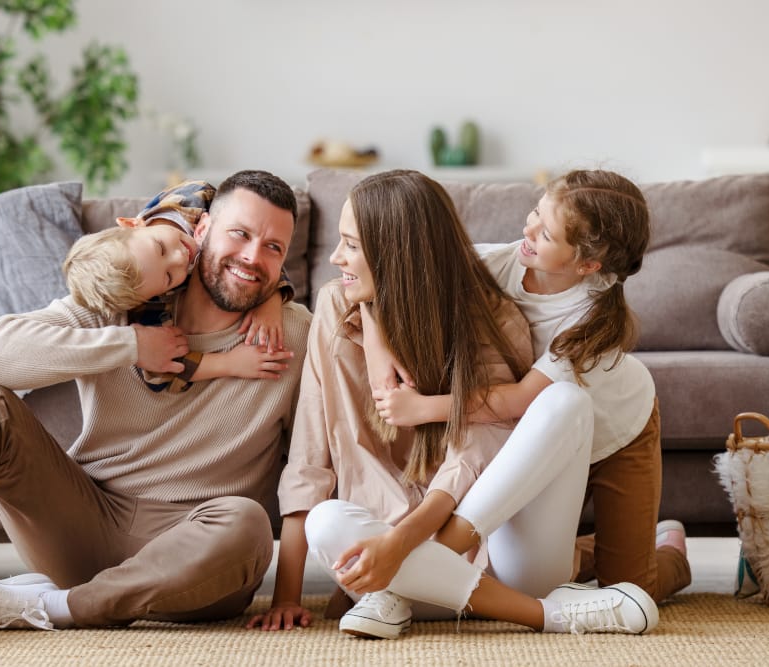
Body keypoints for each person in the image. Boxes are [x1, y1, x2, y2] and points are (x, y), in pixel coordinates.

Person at [0, 170, 312, 652]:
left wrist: (289, 593)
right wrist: (130, 345)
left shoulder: (293, 333)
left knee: (247, 522)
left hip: (198, 551)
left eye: (273, 248)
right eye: (241, 234)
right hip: (88, 520)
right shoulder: (127, 294)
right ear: (200, 232)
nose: (252, 257)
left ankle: (49, 607)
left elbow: (311, 461)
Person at [248, 169, 658, 639]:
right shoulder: (347, 305)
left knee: (567, 408)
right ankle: (518, 603)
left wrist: (407, 539)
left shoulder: (518, 318)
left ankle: (561, 596)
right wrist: (287, 596)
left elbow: (498, 425)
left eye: (352, 246)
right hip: (391, 559)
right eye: (535, 215)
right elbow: (308, 458)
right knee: (327, 522)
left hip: (507, 514)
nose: (335, 258)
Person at [371, 169, 691, 606]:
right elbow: (382, 284)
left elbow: (520, 399)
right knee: (536, 563)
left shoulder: (591, 321)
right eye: (534, 213)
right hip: (547, 439)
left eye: (547, 234)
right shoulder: (493, 264)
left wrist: (423, 407)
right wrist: (380, 342)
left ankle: (669, 550)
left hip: (617, 432)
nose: (527, 230)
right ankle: (586, 555)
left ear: (587, 265)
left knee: (632, 589)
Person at [63, 180, 294, 389]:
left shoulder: (195, 196)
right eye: (169, 277)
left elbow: (258, 236)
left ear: (133, 224)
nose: (180, 258)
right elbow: (162, 370)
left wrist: (271, 300)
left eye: (160, 248)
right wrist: (229, 363)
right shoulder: (150, 300)